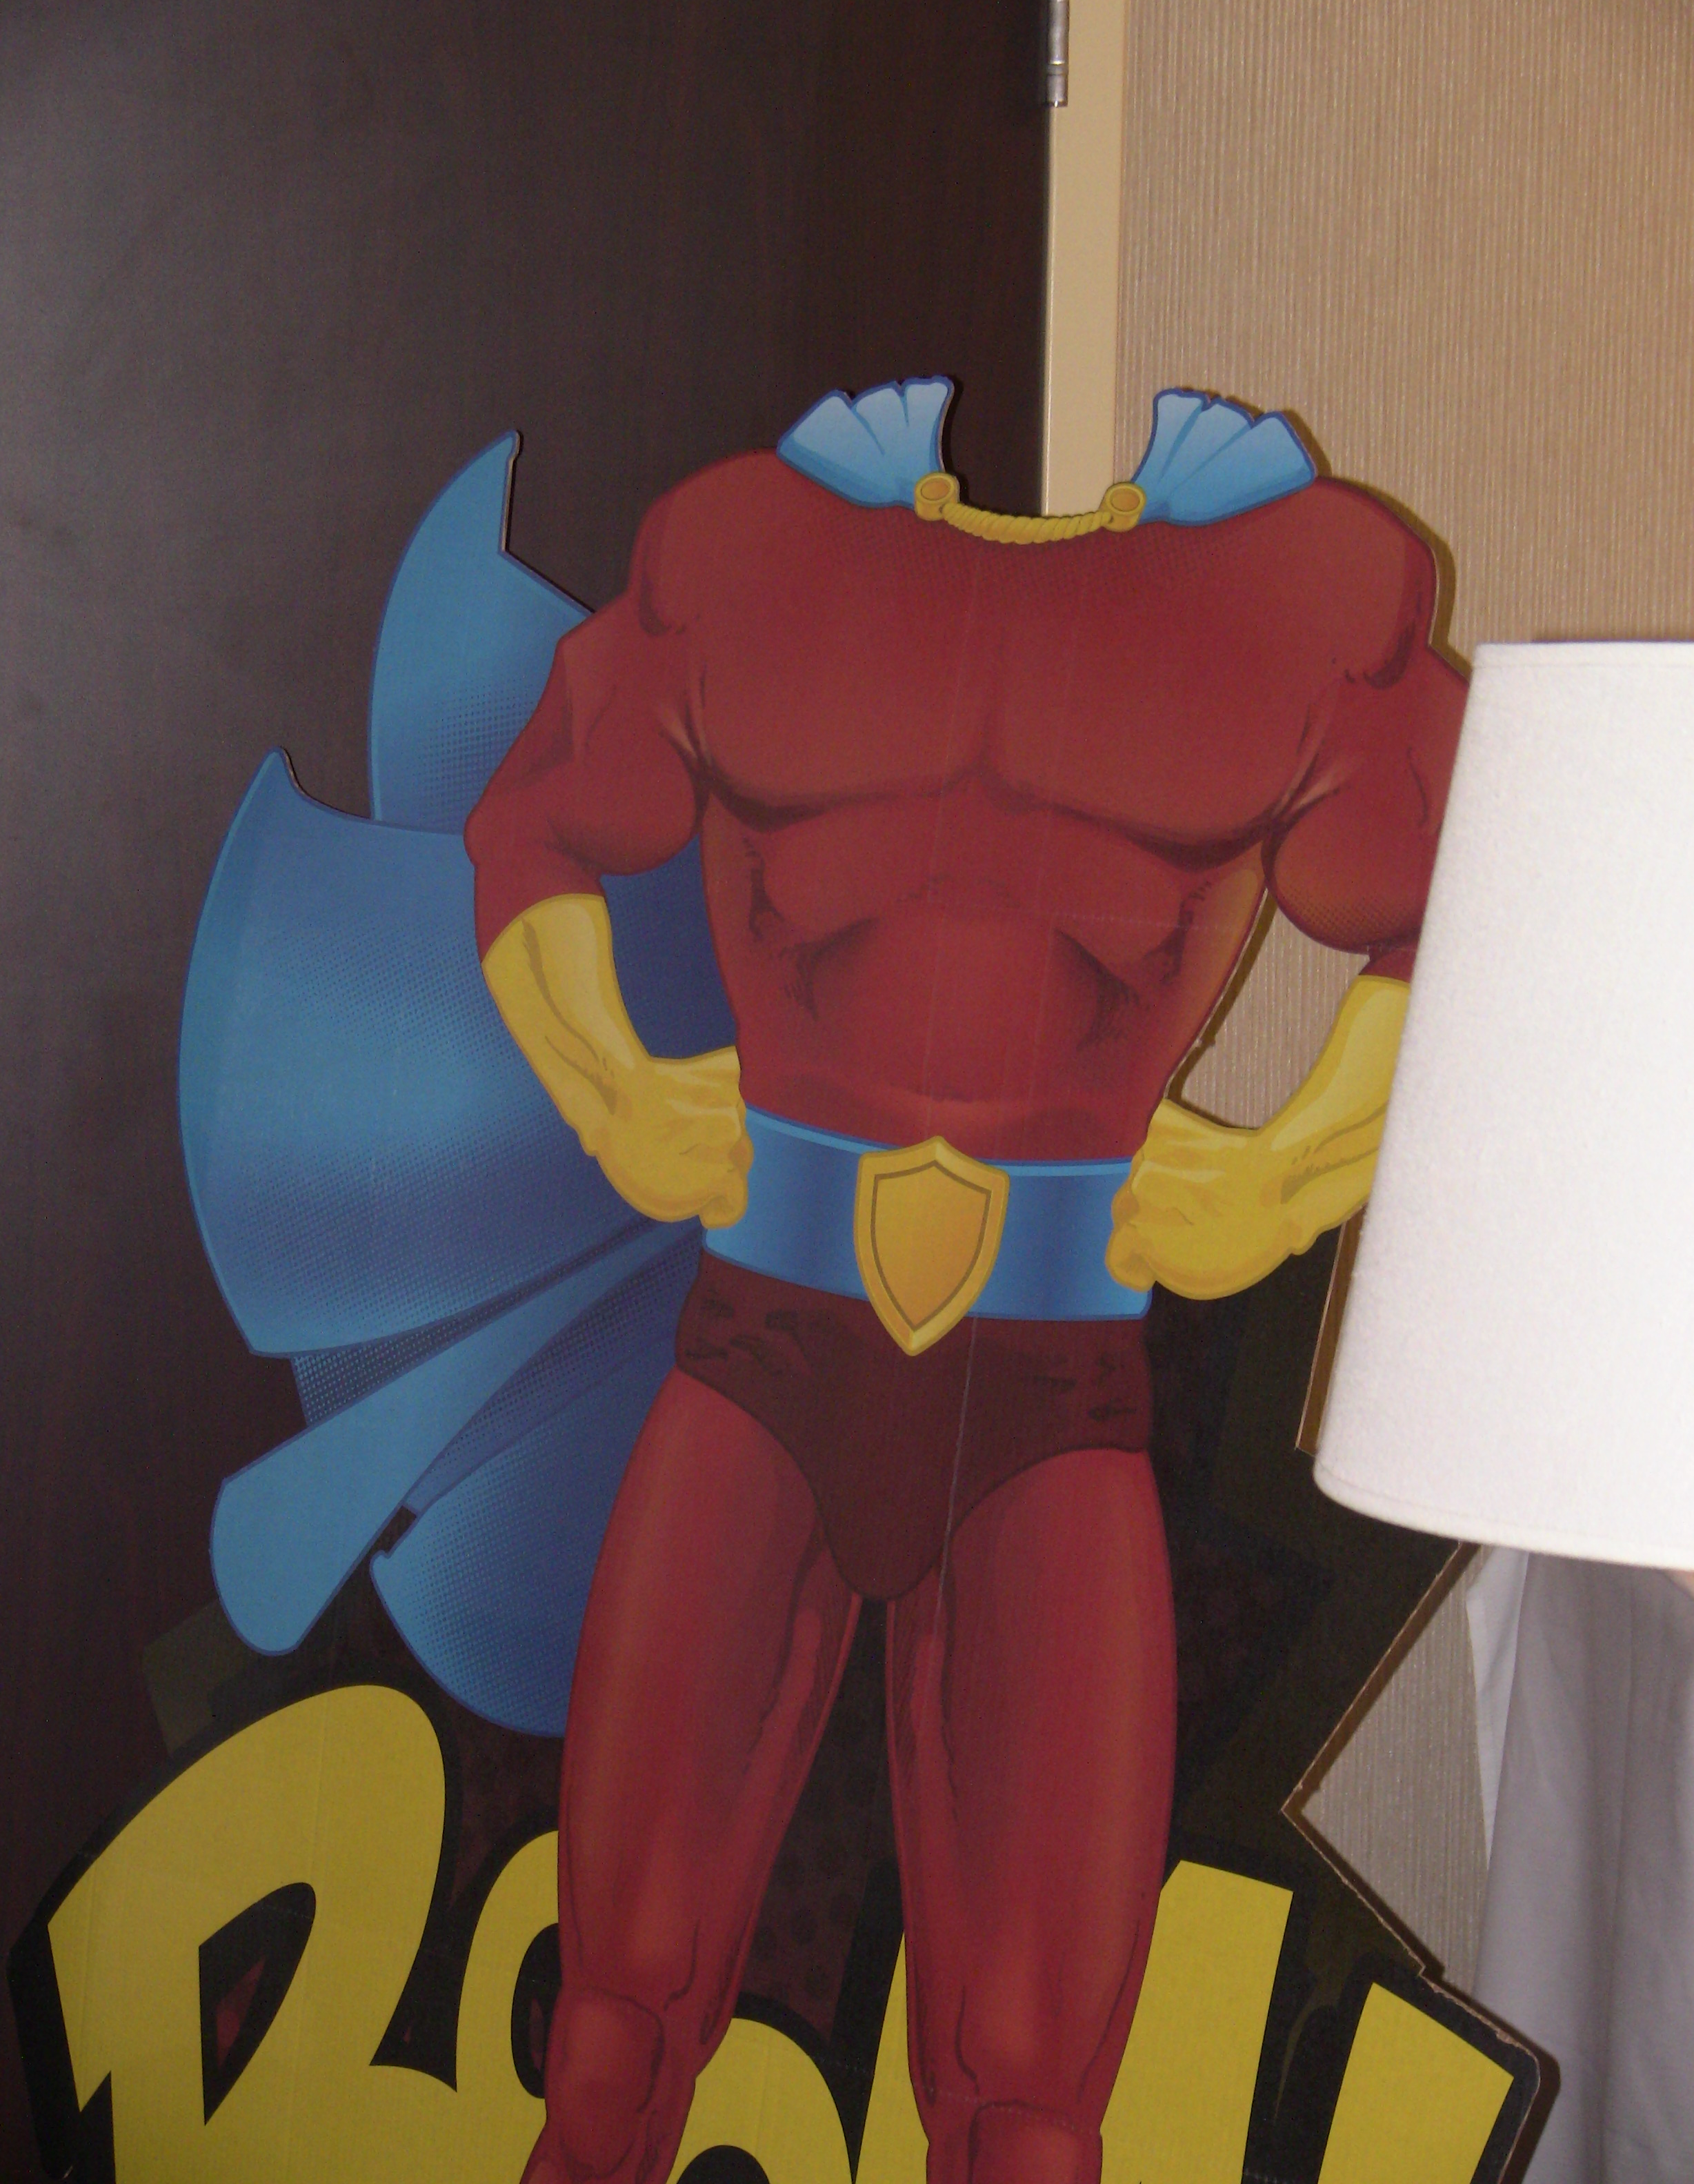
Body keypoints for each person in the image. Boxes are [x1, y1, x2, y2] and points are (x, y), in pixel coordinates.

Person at [465, 382, 1465, 2184]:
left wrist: (1290, 1176)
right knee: (612, 2024)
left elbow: (1472, 898)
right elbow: (531, 822)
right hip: (767, 1348)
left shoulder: (1297, 593)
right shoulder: (749, 550)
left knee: (1033, 2097)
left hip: (1050, 1390)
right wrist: (609, 1088)